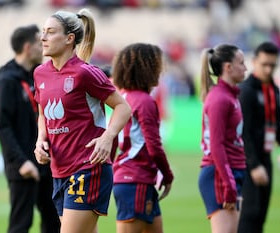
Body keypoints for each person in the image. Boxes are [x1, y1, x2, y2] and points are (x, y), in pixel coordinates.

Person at [33, 8, 131, 233]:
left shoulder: (85, 73)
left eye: (50, 32)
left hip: (87, 167)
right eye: (43, 31)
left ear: (69, 39)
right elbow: (42, 113)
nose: (43, 37)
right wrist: (40, 141)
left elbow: (123, 107)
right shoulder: (40, 73)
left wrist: (107, 138)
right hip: (59, 170)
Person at [0, 24, 60, 233]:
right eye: (40, 43)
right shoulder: (6, 82)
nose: (44, 47)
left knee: (54, 221)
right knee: (21, 224)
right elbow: (3, 127)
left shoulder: (37, 77)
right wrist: (20, 162)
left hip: (44, 162)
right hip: (22, 166)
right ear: (28, 47)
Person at [237, 42, 280, 233]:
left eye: (273, 65)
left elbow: (276, 128)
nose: (268, 69)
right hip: (248, 163)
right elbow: (244, 132)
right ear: (254, 62)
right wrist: (254, 165)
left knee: (260, 216)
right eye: (264, 64)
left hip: (265, 158)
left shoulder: (273, 90)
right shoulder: (247, 91)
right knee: (248, 216)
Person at [111, 43, 174, 233]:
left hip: (134, 179)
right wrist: (168, 175)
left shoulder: (123, 97)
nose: (160, 71)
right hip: (135, 180)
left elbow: (112, 138)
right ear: (146, 69)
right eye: (157, 66)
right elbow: (154, 145)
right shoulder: (145, 101)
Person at [197, 44, 247, 233]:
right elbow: (216, 145)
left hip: (231, 172)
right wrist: (229, 183)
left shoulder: (230, 96)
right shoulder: (219, 99)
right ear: (228, 67)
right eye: (241, 63)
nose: (245, 68)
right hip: (220, 174)